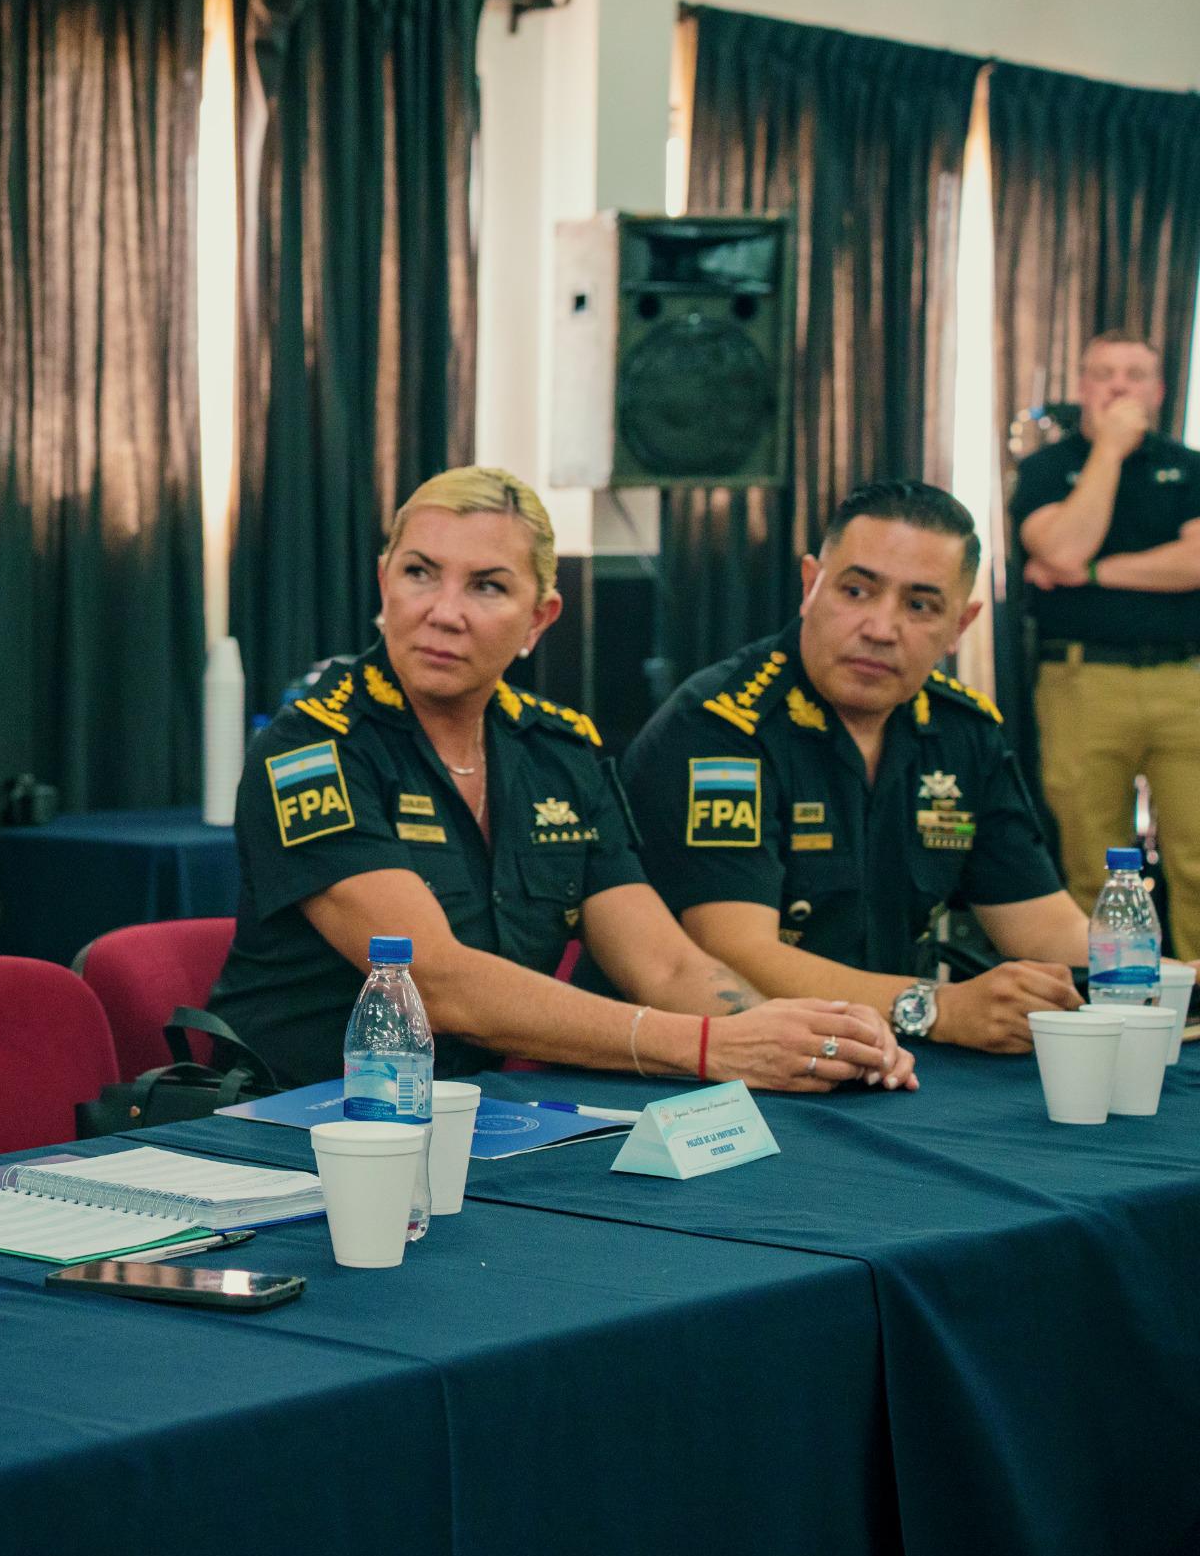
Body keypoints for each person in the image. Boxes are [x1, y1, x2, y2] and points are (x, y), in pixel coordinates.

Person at [210, 466, 915, 1095]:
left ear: (539, 620)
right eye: (420, 573)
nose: (444, 611)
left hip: (478, 1127)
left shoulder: (560, 750)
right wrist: (708, 1047)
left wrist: (805, 1040)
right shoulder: (313, 744)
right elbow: (437, 983)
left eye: (487, 586)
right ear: (384, 580)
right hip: (301, 1126)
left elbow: (665, 965)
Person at [623, 481, 1089, 1053]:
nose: (880, 628)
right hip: (726, 1067)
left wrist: (1172, 977)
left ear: (959, 628)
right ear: (809, 585)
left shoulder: (963, 732)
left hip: (895, 1062)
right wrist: (934, 1007)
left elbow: (1047, 931)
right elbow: (736, 953)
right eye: (857, 591)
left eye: (920, 605)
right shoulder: (720, 725)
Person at [1012, 330, 1200, 957]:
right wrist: (1110, 453)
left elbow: (1196, 561)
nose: (1119, 386)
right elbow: (1061, 545)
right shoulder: (1045, 470)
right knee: (1095, 865)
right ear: (1084, 388)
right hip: (1082, 682)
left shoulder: (1189, 467)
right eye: (1105, 374)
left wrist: (1091, 573)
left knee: (1198, 861)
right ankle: (1115, 1001)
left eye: (1135, 375)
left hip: (1185, 683)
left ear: (1158, 391)